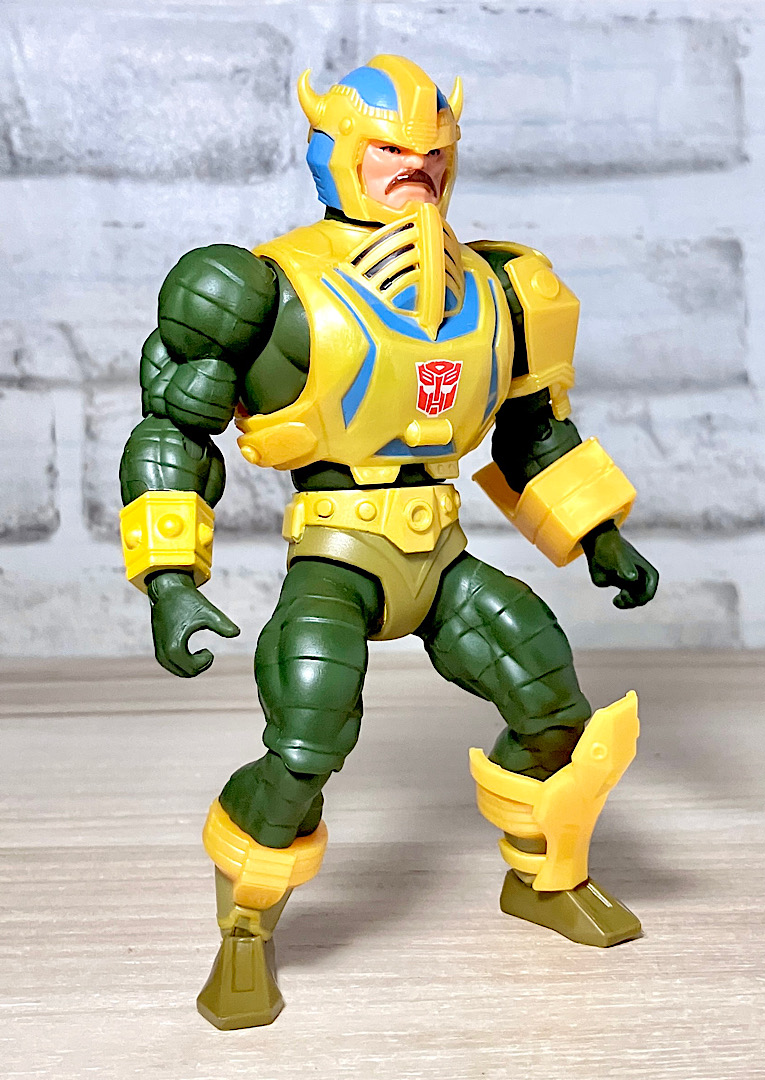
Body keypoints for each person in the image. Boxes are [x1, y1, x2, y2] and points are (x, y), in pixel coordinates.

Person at [119, 54, 658, 1029]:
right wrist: (168, 576)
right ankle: (246, 926)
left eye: (433, 153)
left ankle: (541, 878)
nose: (417, 169)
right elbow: (172, 434)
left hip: (439, 555)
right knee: (308, 739)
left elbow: (533, 428)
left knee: (555, 705)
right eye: (391, 152)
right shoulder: (262, 288)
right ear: (337, 152)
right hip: (337, 554)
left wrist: (599, 534)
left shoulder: (500, 286)